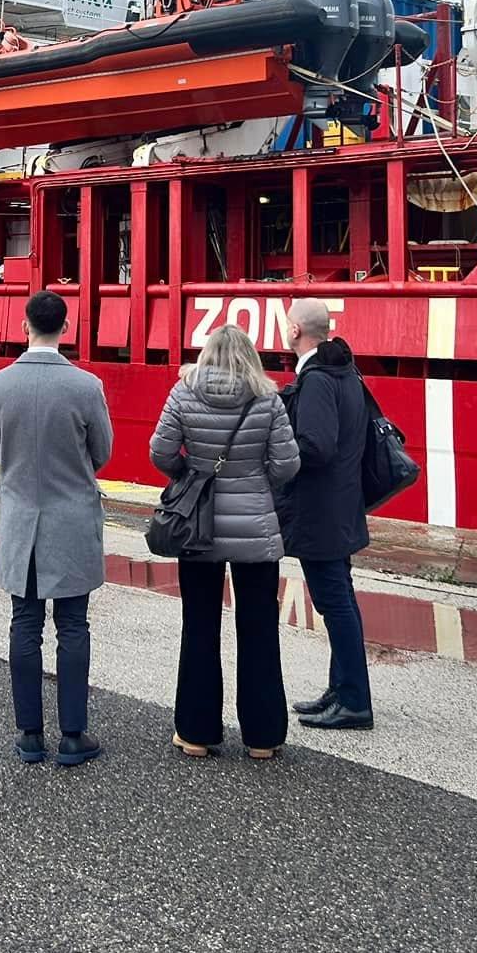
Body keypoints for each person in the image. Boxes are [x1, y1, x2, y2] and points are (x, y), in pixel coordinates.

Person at [149, 324, 300, 759]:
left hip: (198, 529)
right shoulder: (267, 397)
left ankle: (195, 733)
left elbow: (159, 452)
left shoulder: (184, 392)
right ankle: (263, 738)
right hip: (255, 531)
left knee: (199, 626)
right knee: (259, 631)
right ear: (249, 356)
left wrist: (192, 477)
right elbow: (288, 464)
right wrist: (255, 485)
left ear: (207, 352)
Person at [0, 290, 112, 766]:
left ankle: (30, 735)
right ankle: (74, 735)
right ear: (66, 327)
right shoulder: (86, 386)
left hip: (21, 523)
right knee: (73, 625)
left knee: (25, 623)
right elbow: (103, 452)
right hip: (72, 520)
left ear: (24, 326)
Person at [279, 297, 374, 731]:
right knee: (341, 602)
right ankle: (341, 689)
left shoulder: (317, 379)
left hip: (320, 512)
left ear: (297, 331)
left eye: (286, 323)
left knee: (335, 604)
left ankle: (353, 700)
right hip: (341, 505)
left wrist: (276, 457)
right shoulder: (343, 371)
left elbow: (315, 446)